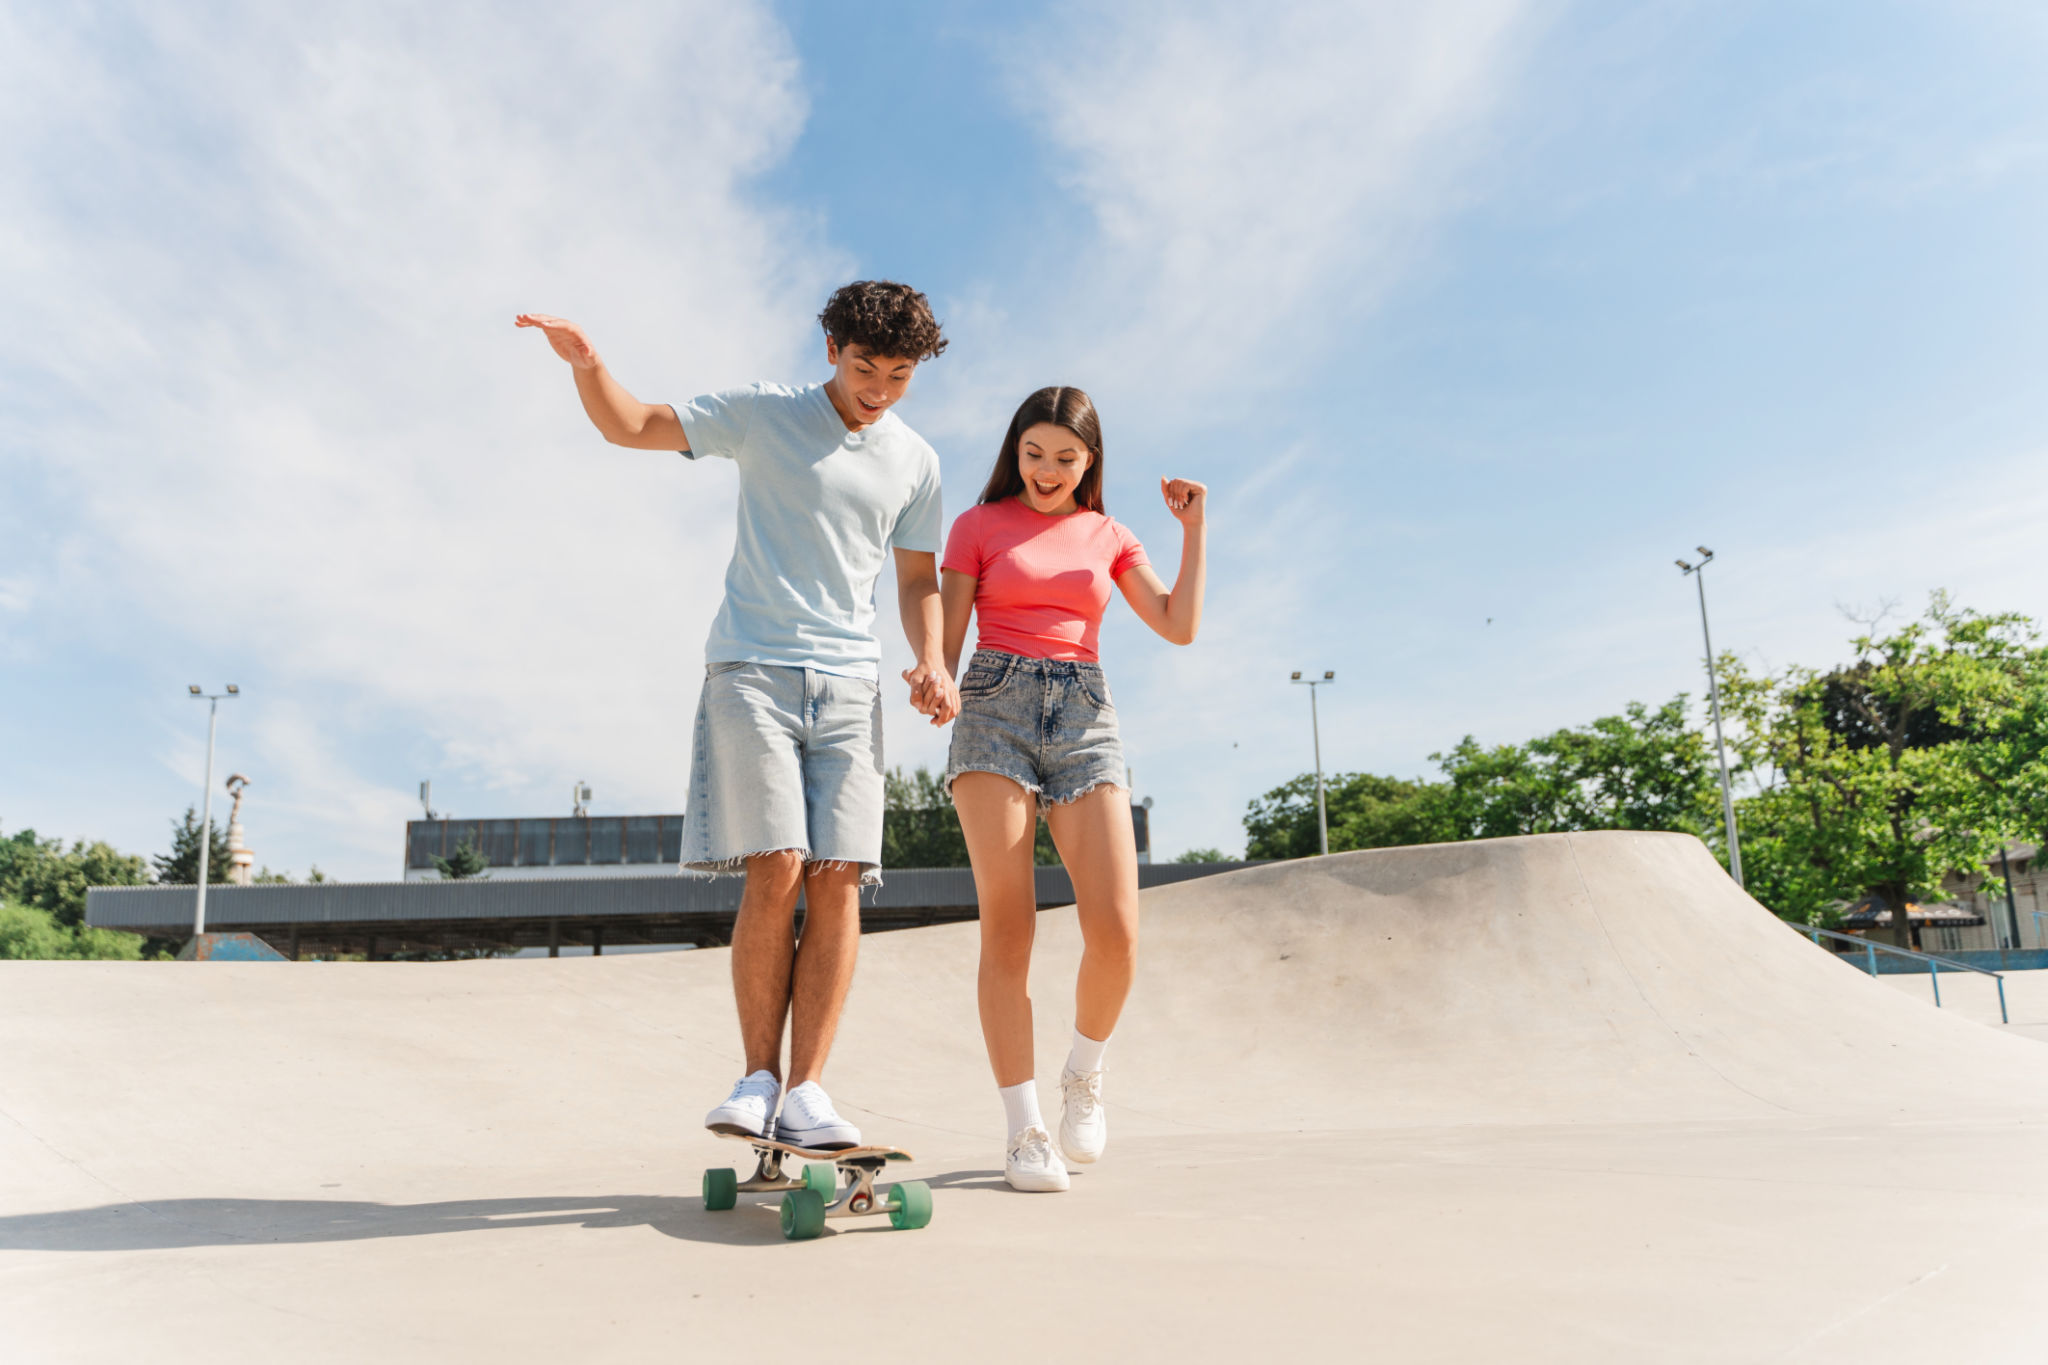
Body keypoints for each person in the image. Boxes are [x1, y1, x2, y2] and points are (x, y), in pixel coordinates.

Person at [516, 282, 958, 1150]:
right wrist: (589, 366)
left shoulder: (916, 460)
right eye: (864, 367)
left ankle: (807, 1090)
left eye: (900, 375)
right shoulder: (764, 413)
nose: (878, 389)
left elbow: (916, 580)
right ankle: (757, 1078)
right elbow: (632, 425)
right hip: (752, 668)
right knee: (779, 862)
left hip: (852, 684)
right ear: (830, 348)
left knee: (839, 874)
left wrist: (934, 657)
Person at [939, 385, 1206, 1191]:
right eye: (1034, 453)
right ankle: (1023, 1132)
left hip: (1086, 714)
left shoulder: (1110, 534)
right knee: (1009, 929)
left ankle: (1083, 1072)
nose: (1047, 470)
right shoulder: (976, 526)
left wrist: (1193, 532)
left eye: (1065, 457)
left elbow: (1178, 624)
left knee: (1118, 930)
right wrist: (934, 678)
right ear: (1014, 451)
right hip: (995, 711)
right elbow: (947, 641)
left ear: (1090, 461)